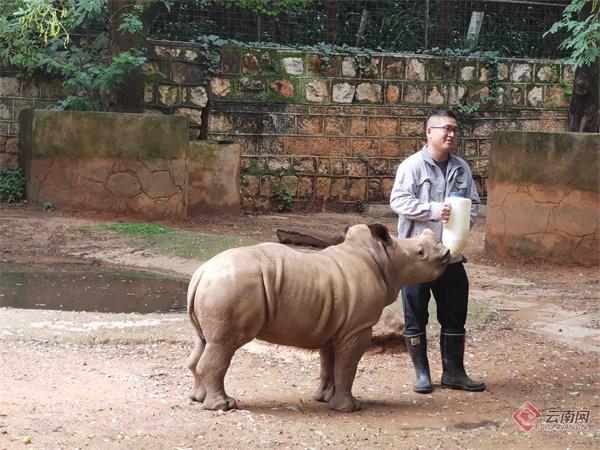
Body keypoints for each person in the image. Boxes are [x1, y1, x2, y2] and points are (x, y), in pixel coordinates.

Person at [389, 109, 486, 394]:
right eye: (445, 128)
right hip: (416, 257)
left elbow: (475, 202)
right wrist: (433, 209)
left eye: (455, 129)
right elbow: (398, 200)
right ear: (428, 132)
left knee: (455, 312)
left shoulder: (461, 168)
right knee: (415, 313)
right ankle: (422, 374)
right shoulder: (412, 166)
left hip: (450, 254)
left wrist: (463, 220)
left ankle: (454, 372)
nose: (451, 133)